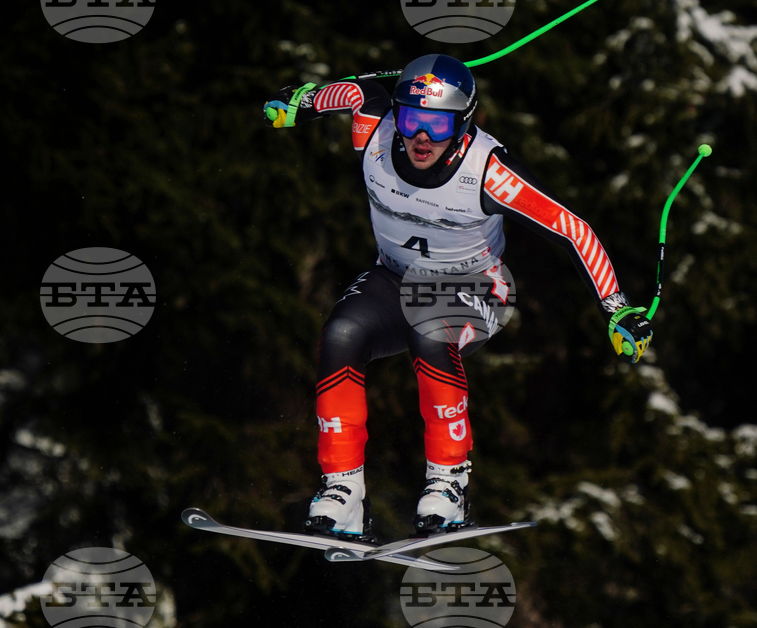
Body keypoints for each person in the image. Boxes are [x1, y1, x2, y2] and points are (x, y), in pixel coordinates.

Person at [263, 54, 653, 540]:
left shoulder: (488, 170)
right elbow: (356, 91)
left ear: (464, 125)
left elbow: (571, 229)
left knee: (431, 329)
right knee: (341, 333)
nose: (421, 137)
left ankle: (448, 485)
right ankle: (343, 491)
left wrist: (617, 309)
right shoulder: (376, 134)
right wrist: (303, 103)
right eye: (411, 119)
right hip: (396, 277)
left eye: (439, 124)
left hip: (477, 286)